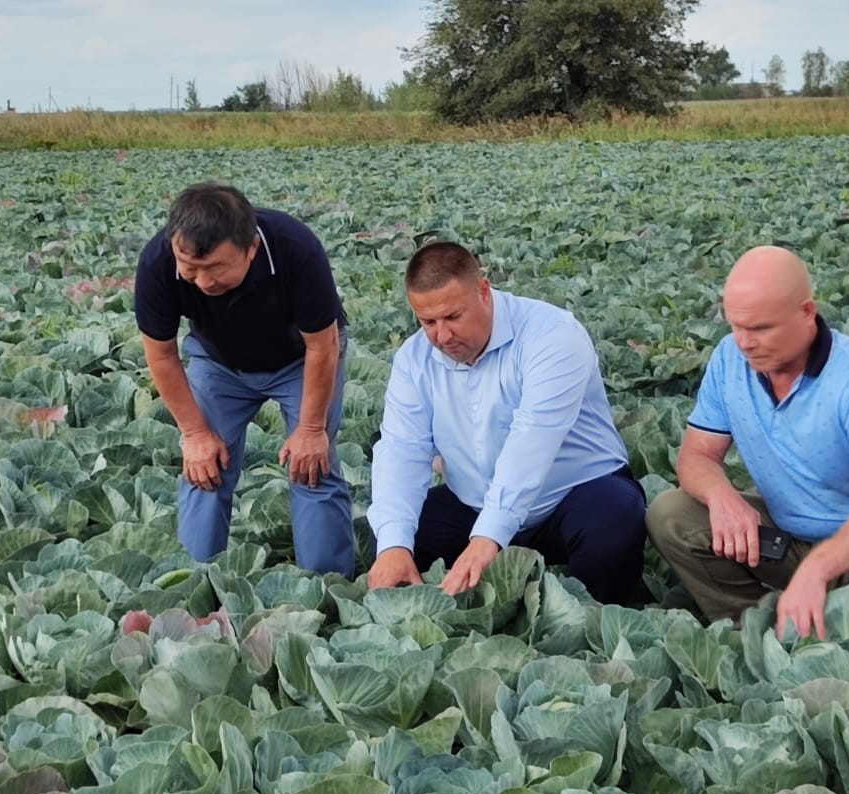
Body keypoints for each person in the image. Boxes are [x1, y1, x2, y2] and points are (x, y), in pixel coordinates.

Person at [646, 245, 849, 678]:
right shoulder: (730, 359)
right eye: (736, 326)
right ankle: (754, 637)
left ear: (806, 313)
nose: (745, 342)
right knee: (672, 514)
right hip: (790, 535)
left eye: (761, 328)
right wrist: (722, 496)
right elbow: (696, 455)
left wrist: (817, 569)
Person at [366, 241, 646, 601]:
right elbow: (402, 449)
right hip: (474, 503)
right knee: (396, 534)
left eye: (453, 317)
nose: (442, 336)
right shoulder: (414, 358)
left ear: (484, 290)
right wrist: (393, 545)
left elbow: (532, 440)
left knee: (614, 523)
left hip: (571, 495)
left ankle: (596, 612)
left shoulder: (552, 336)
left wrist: (488, 539)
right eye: (427, 322)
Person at [134, 182, 354, 575]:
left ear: (251, 249)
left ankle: (326, 588)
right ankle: (194, 588)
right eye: (190, 268)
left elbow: (323, 346)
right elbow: (162, 354)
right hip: (219, 363)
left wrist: (310, 428)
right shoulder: (158, 263)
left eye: (216, 268)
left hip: (302, 360)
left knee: (312, 467)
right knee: (204, 468)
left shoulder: (295, 248)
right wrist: (195, 435)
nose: (202, 282)